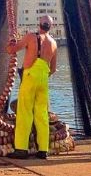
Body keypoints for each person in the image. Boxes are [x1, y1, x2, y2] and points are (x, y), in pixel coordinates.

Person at [6, 15, 57, 160]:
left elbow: (11, 50)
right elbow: (53, 69)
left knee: (25, 111)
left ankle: (21, 149)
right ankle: (43, 150)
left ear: (39, 24)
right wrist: (42, 76)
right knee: (42, 114)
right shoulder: (53, 43)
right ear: (50, 26)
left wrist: (10, 43)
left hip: (30, 76)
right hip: (43, 79)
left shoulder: (31, 37)